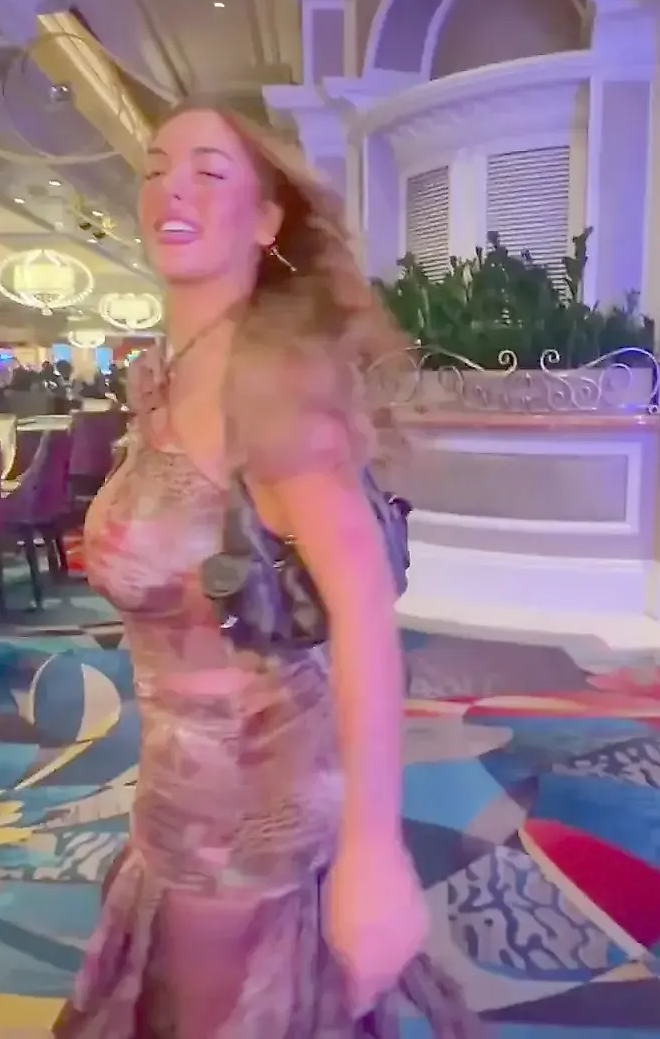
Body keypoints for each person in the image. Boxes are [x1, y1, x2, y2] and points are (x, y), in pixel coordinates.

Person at [56, 102, 477, 1037]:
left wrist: (373, 854)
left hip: (252, 803)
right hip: (176, 780)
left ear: (266, 219)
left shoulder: (274, 388)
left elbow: (364, 616)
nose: (171, 189)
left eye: (210, 173)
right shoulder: (166, 375)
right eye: (157, 168)